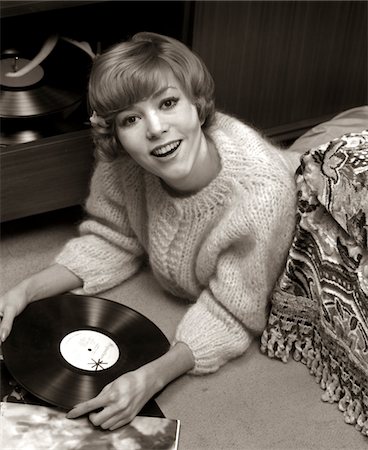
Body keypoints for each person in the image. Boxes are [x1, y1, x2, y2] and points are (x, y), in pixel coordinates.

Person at [0, 32, 297, 431]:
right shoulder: (124, 160)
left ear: (197, 103)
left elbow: (233, 311)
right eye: (130, 118)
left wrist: (151, 377)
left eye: (168, 102)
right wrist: (24, 290)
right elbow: (112, 238)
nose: (155, 128)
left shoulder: (261, 196)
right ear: (116, 133)